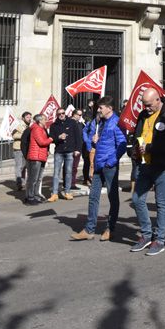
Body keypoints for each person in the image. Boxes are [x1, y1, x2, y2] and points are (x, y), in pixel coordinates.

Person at [129, 89, 165, 256]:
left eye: (149, 105)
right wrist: (135, 151)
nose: (146, 108)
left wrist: (151, 148)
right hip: (145, 163)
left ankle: (159, 239)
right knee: (137, 199)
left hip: (163, 166)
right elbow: (137, 134)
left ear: (158, 100)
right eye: (144, 105)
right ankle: (146, 235)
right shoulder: (143, 115)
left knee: (161, 203)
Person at [72, 96, 128, 241]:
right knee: (93, 197)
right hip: (98, 165)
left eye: (101, 107)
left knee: (112, 197)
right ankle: (89, 230)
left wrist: (111, 161)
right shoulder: (99, 122)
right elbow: (95, 142)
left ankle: (110, 228)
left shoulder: (117, 122)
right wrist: (93, 142)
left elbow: (122, 144)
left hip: (109, 166)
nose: (98, 110)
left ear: (109, 108)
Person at [47, 108, 77, 202]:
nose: (61, 115)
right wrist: (58, 137)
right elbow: (51, 138)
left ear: (65, 113)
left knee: (68, 172)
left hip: (69, 151)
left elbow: (78, 137)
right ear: (57, 115)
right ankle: (54, 193)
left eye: (63, 113)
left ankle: (67, 192)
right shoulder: (53, 125)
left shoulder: (72, 123)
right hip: (59, 151)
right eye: (59, 113)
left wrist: (77, 149)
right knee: (56, 173)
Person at [25, 114, 54, 205]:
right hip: (35, 157)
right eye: (44, 119)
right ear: (40, 121)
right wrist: (50, 139)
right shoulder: (36, 129)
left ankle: (36, 195)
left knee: (38, 178)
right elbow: (41, 142)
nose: (46, 121)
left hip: (41, 156)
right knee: (33, 179)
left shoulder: (42, 129)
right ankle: (30, 197)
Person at [12, 112, 31, 191]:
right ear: (23, 118)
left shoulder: (29, 126)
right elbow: (14, 135)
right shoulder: (18, 125)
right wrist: (24, 135)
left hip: (26, 148)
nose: (29, 119)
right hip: (18, 148)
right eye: (27, 117)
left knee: (24, 166)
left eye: (30, 117)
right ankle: (19, 183)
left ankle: (23, 182)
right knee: (19, 166)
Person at [70, 109, 85, 190]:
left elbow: (80, 136)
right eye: (79, 115)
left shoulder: (80, 124)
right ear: (74, 114)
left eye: (81, 115)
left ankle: (73, 183)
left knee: (75, 167)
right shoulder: (69, 122)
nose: (80, 117)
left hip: (79, 148)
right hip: (72, 149)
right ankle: (68, 183)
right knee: (69, 167)